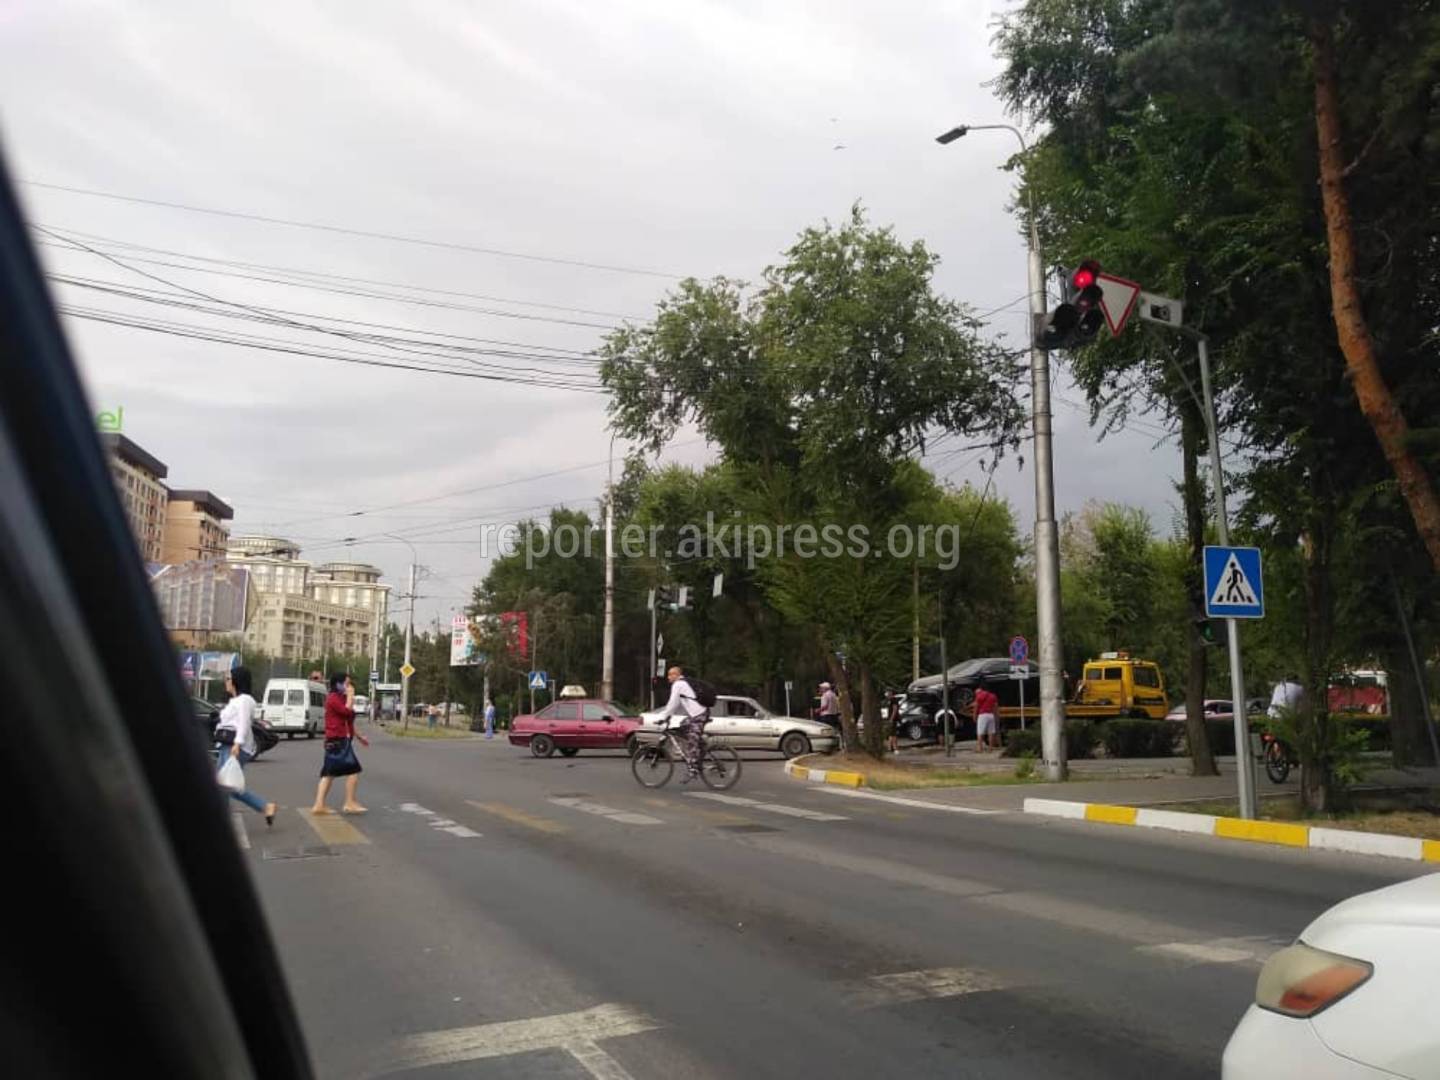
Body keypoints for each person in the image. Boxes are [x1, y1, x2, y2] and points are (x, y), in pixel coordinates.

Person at [214, 666, 277, 826]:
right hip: (226, 745)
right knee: (225, 784)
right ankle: (265, 807)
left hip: (235, 746)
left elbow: (243, 723)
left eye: (229, 678)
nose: (226, 682)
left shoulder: (245, 700)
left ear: (236, 681)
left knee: (226, 785)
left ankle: (222, 821)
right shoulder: (235, 700)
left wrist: (237, 743)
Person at [312, 672, 369, 815]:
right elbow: (346, 712)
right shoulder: (332, 699)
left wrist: (358, 736)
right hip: (337, 740)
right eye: (346, 684)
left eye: (349, 684)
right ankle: (349, 802)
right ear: (337, 684)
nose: (349, 687)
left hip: (340, 739)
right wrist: (350, 696)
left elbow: (348, 720)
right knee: (353, 770)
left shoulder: (340, 698)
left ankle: (319, 804)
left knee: (329, 773)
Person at [657, 665, 709, 782]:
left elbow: (672, 703)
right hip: (696, 714)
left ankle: (692, 769)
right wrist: (667, 715)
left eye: (670, 674)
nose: (668, 677)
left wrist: (663, 717)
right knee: (682, 727)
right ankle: (700, 745)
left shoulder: (678, 684)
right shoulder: (683, 683)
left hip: (699, 715)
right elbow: (675, 705)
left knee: (691, 739)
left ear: (677, 675)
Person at [973, 684, 1000, 752]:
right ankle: (990, 748)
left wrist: (974, 716)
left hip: (982, 715)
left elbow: (976, 707)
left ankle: (980, 748)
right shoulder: (993, 696)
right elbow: (995, 707)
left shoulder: (979, 695)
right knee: (991, 732)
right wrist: (996, 716)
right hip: (991, 715)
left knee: (980, 732)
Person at [817, 681, 841, 746]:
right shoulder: (834, 694)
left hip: (826, 715)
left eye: (821, 688)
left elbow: (825, 706)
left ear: (825, 688)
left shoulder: (825, 695)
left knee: (826, 730)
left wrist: (818, 710)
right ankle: (837, 744)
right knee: (834, 729)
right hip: (834, 714)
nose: (820, 689)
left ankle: (828, 744)